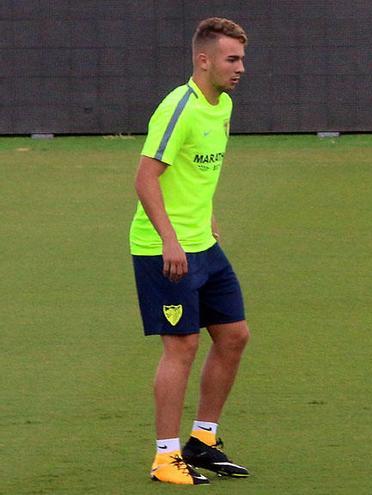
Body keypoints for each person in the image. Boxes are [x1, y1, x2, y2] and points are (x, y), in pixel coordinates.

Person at [129, 17, 250, 485]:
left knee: (235, 335)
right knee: (182, 346)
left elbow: (196, 175)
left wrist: (207, 215)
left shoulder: (222, 106)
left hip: (203, 243)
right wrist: (170, 239)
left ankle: (203, 441)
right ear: (204, 60)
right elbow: (145, 176)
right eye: (231, 59)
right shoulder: (178, 107)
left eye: (241, 58)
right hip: (164, 249)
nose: (240, 67)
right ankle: (165, 458)